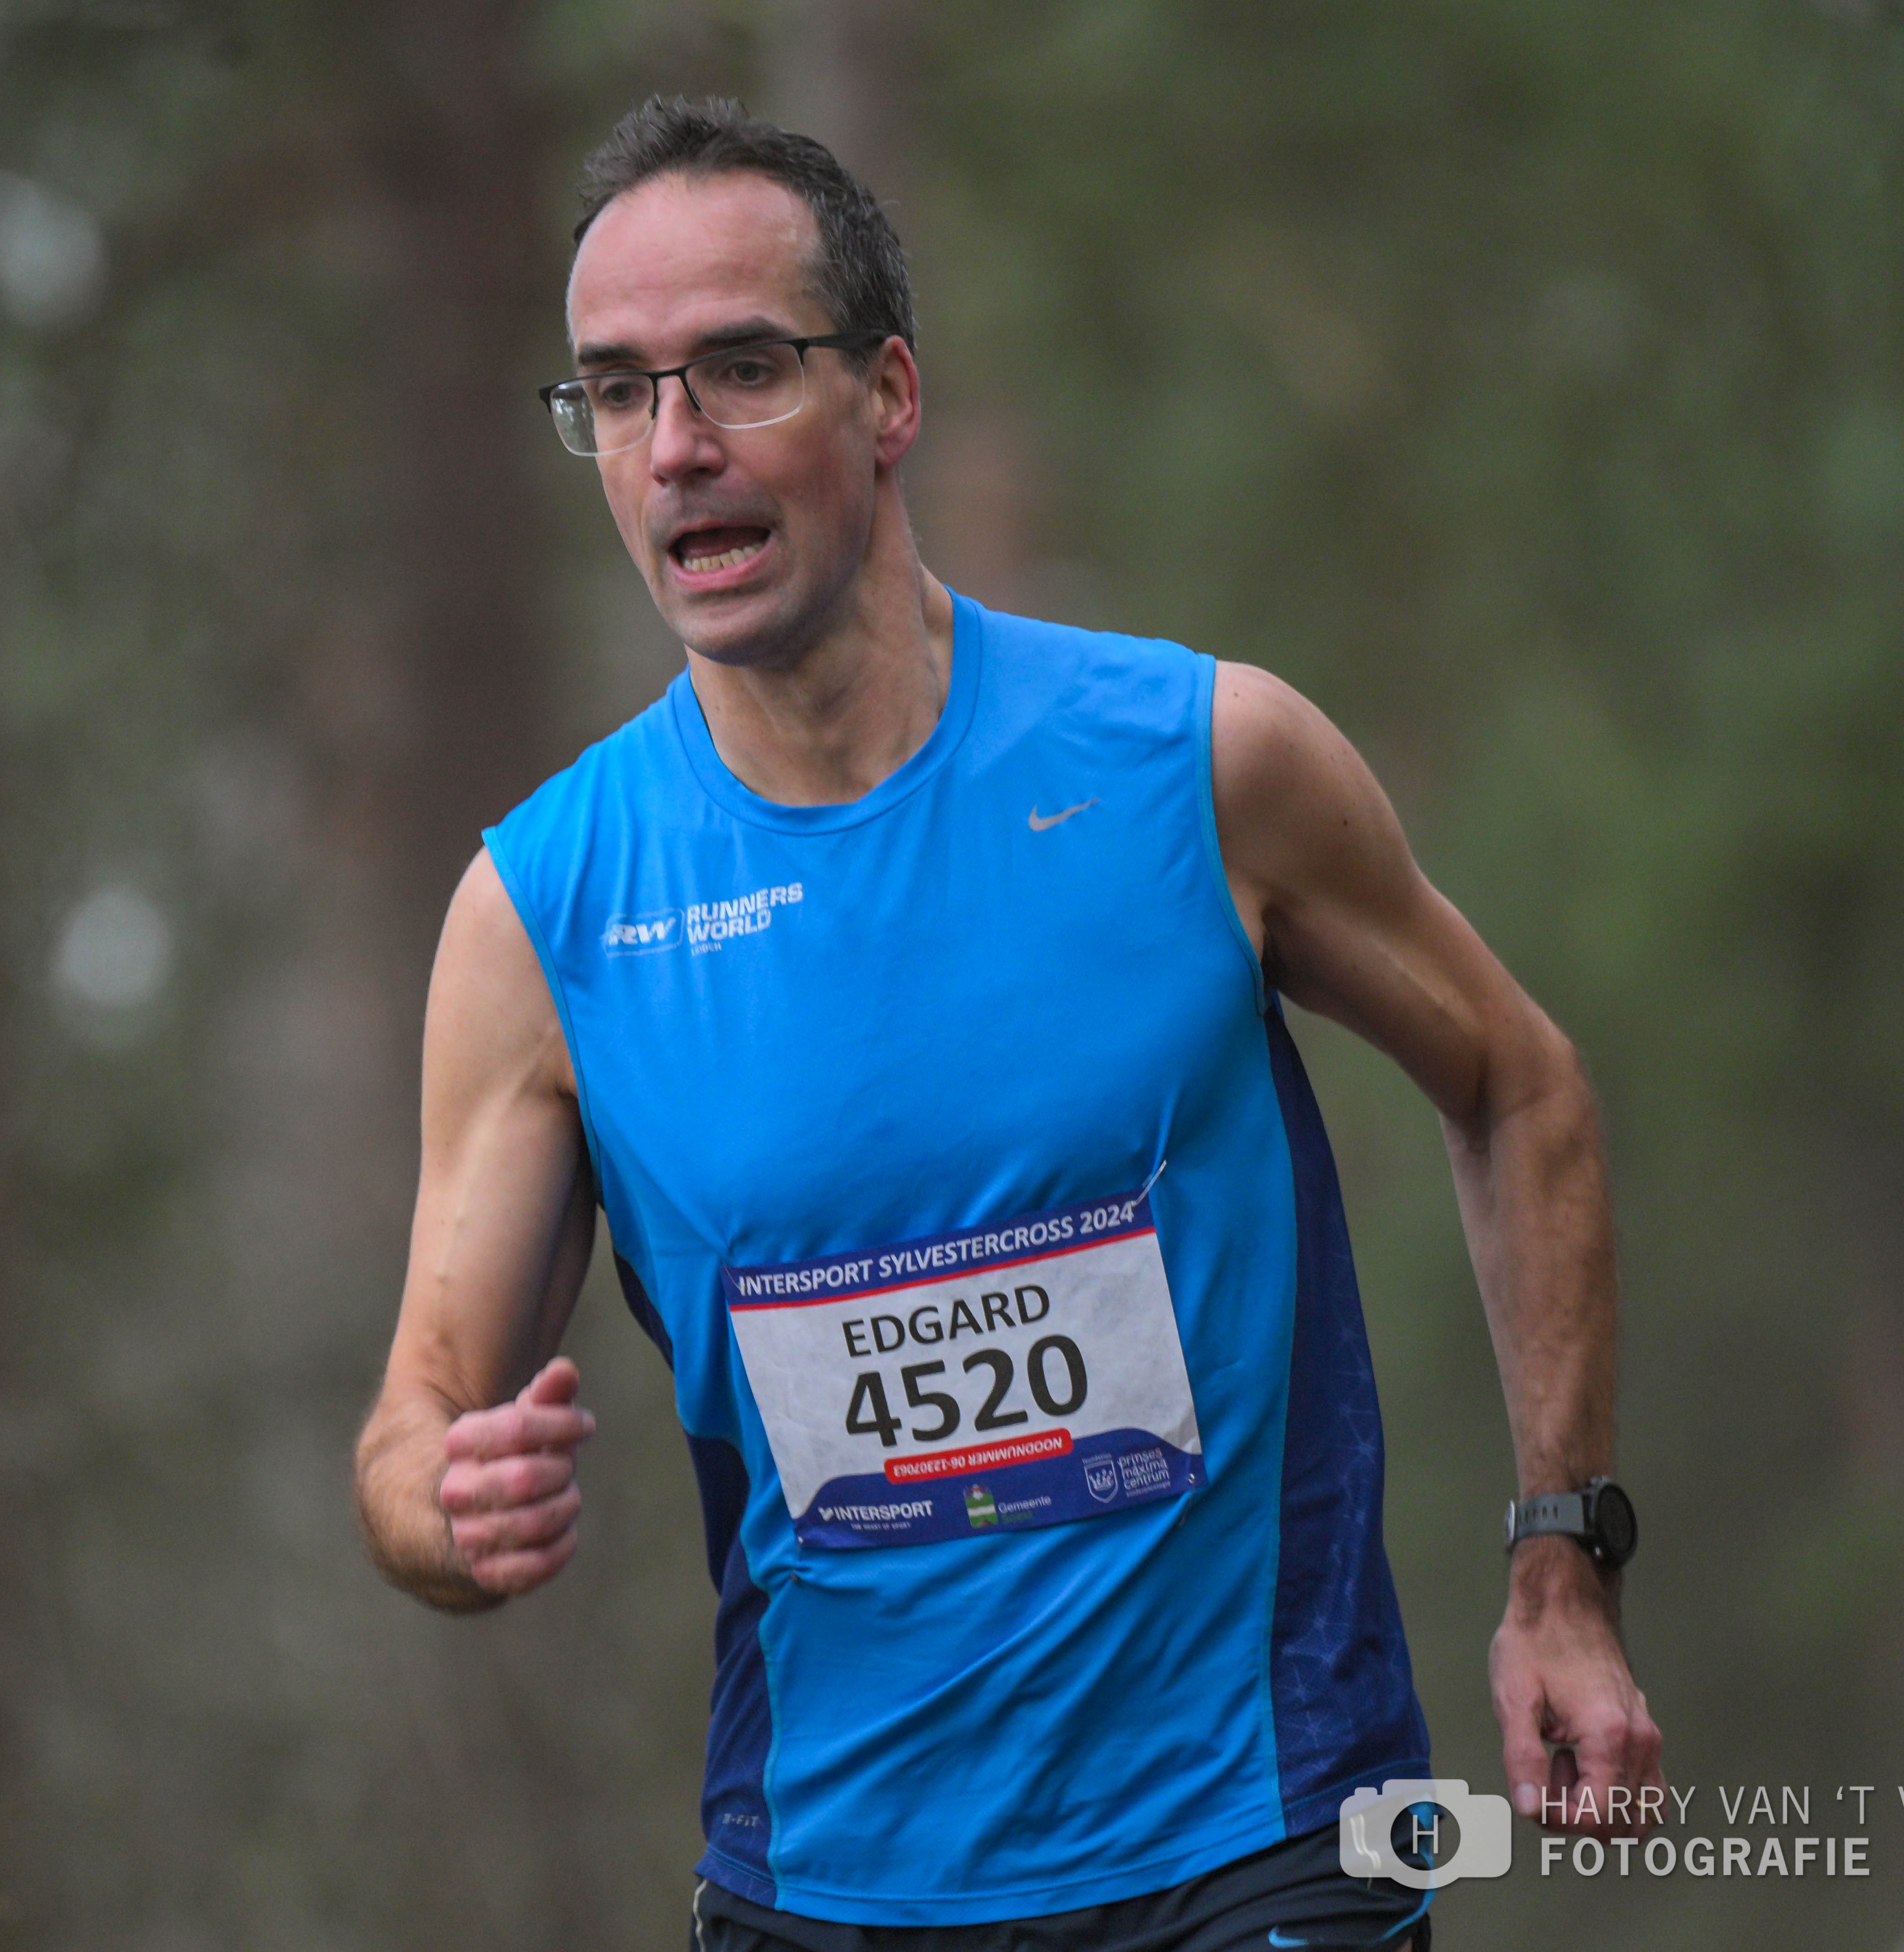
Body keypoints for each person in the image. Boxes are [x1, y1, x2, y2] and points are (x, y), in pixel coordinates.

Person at [353, 96, 1661, 1951]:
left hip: (1263, 1828)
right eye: (618, 392)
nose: (676, 446)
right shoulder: (546, 910)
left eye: (740, 369)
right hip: (832, 1881)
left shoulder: (1200, 764)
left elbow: (1518, 1084)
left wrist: (1560, 1560)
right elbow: (415, 1421)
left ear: (888, 395)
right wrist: (445, 1508)